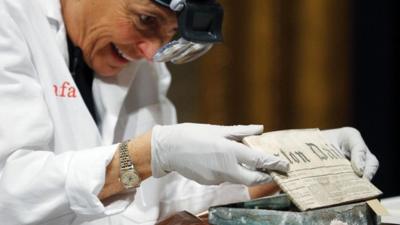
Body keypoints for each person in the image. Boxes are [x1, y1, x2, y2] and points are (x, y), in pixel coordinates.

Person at [0, 0, 379, 224]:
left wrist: (283, 166)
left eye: (169, 36)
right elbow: (12, 194)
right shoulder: (10, 20)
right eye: (145, 20)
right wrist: (149, 154)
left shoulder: (140, 60)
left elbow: (156, 197)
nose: (150, 53)